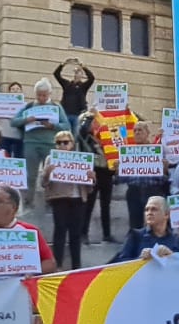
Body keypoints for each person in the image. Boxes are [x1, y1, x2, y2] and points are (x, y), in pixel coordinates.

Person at [12, 79, 71, 209]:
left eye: (44, 95)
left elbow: (66, 125)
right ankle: (28, 200)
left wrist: (52, 125)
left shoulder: (56, 107)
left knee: (50, 173)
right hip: (31, 143)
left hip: (50, 143)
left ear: (49, 94)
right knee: (30, 174)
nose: (41, 97)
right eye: (39, 94)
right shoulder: (29, 106)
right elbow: (14, 122)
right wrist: (26, 120)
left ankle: (50, 200)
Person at [42, 130, 90, 269]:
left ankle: (76, 266)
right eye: (59, 143)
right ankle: (58, 265)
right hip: (59, 198)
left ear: (72, 144)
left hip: (78, 199)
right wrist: (47, 173)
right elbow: (44, 184)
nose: (62, 145)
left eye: (65, 142)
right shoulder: (50, 159)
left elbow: (89, 186)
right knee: (60, 230)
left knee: (76, 234)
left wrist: (92, 178)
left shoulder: (82, 159)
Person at [78, 111, 117, 245]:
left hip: (107, 172)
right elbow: (83, 129)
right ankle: (83, 233)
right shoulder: (85, 137)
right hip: (93, 171)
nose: (95, 124)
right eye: (93, 122)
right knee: (89, 204)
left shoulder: (108, 136)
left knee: (106, 205)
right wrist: (91, 115)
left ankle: (107, 234)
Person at [111, 196, 179, 263]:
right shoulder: (135, 236)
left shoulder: (177, 239)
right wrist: (140, 259)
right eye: (146, 210)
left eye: (154, 209)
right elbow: (119, 265)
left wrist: (171, 256)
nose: (149, 213)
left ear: (166, 215)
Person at [122, 121, 165, 232]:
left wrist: (164, 169)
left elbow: (165, 179)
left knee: (154, 226)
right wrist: (118, 170)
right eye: (135, 131)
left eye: (140, 130)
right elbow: (120, 180)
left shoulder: (157, 151)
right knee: (135, 226)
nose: (137, 133)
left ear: (148, 133)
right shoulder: (128, 152)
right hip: (134, 192)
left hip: (153, 191)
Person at [0, 81, 25, 159]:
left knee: (18, 159)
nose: (15, 90)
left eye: (18, 89)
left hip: (18, 136)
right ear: (9, 91)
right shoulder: (1, 104)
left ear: (21, 91)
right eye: (13, 89)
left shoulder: (25, 105)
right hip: (4, 135)